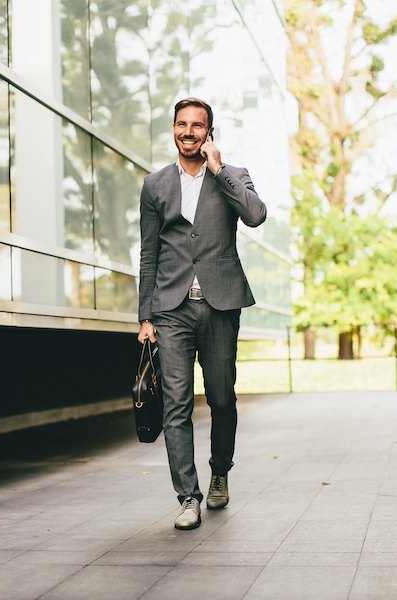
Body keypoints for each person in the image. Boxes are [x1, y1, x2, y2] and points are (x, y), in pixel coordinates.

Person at [137, 97, 266, 530]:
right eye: (181, 124)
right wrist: (145, 316)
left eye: (197, 125)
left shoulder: (231, 176)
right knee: (176, 404)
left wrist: (219, 168)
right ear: (173, 129)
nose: (188, 131)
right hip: (171, 309)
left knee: (222, 398)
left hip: (220, 303)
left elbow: (256, 215)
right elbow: (149, 254)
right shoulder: (155, 185)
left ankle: (220, 472)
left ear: (209, 132)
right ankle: (187, 496)